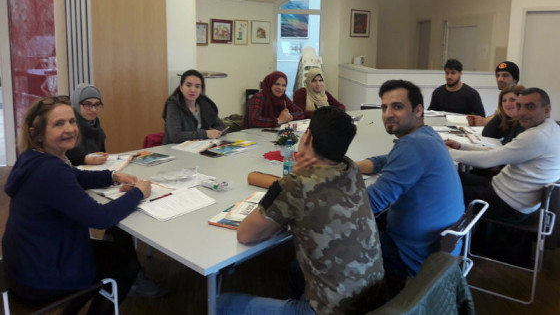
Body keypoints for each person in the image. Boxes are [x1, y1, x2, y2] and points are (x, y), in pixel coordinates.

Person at [218, 107, 385, 314]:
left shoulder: (296, 186)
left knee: (222, 304)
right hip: (373, 299)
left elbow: (245, 235)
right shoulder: (351, 169)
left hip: (328, 311)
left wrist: (284, 184)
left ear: (307, 137)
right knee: (296, 268)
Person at [2, 96, 151, 314]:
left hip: (23, 263)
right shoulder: (51, 171)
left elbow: (76, 175)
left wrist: (113, 176)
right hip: (41, 276)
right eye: (58, 124)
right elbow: (100, 218)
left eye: (72, 121)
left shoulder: (31, 158)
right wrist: (138, 192)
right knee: (126, 265)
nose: (70, 129)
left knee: (116, 255)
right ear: (36, 134)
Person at [356, 80, 464, 281]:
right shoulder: (427, 135)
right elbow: (389, 159)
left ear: (418, 110)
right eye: (384, 108)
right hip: (435, 250)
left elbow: (370, 202)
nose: (388, 114)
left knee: (330, 243)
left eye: (397, 107)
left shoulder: (413, 145)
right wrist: (352, 166)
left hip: (409, 255)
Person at [449, 87, 560, 223]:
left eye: (530, 107)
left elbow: (488, 161)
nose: (521, 112)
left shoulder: (538, 136)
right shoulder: (551, 128)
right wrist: (461, 147)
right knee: (449, 175)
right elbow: (500, 152)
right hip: (503, 190)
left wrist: (447, 153)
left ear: (547, 110)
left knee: (440, 187)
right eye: (519, 106)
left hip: (507, 205)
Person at [163, 69, 226, 144]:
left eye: (197, 86)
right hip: (174, 148)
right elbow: (176, 136)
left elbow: (223, 127)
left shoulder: (204, 104)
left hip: (198, 146)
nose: (193, 90)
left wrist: (211, 134)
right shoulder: (173, 105)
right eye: (188, 85)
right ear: (181, 88)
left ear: (201, 90)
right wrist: (205, 134)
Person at [66, 83, 108, 166]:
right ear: (77, 104)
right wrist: (84, 160)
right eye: (88, 104)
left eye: (97, 105)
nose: (93, 109)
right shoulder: (68, 126)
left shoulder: (96, 126)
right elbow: (62, 157)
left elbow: (100, 154)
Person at [468, 61, 520, 127]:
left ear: (515, 79)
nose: (500, 79)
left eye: (505, 75)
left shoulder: (520, 98)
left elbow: (506, 122)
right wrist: (479, 120)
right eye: (497, 75)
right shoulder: (503, 95)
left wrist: (485, 122)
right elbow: (497, 116)